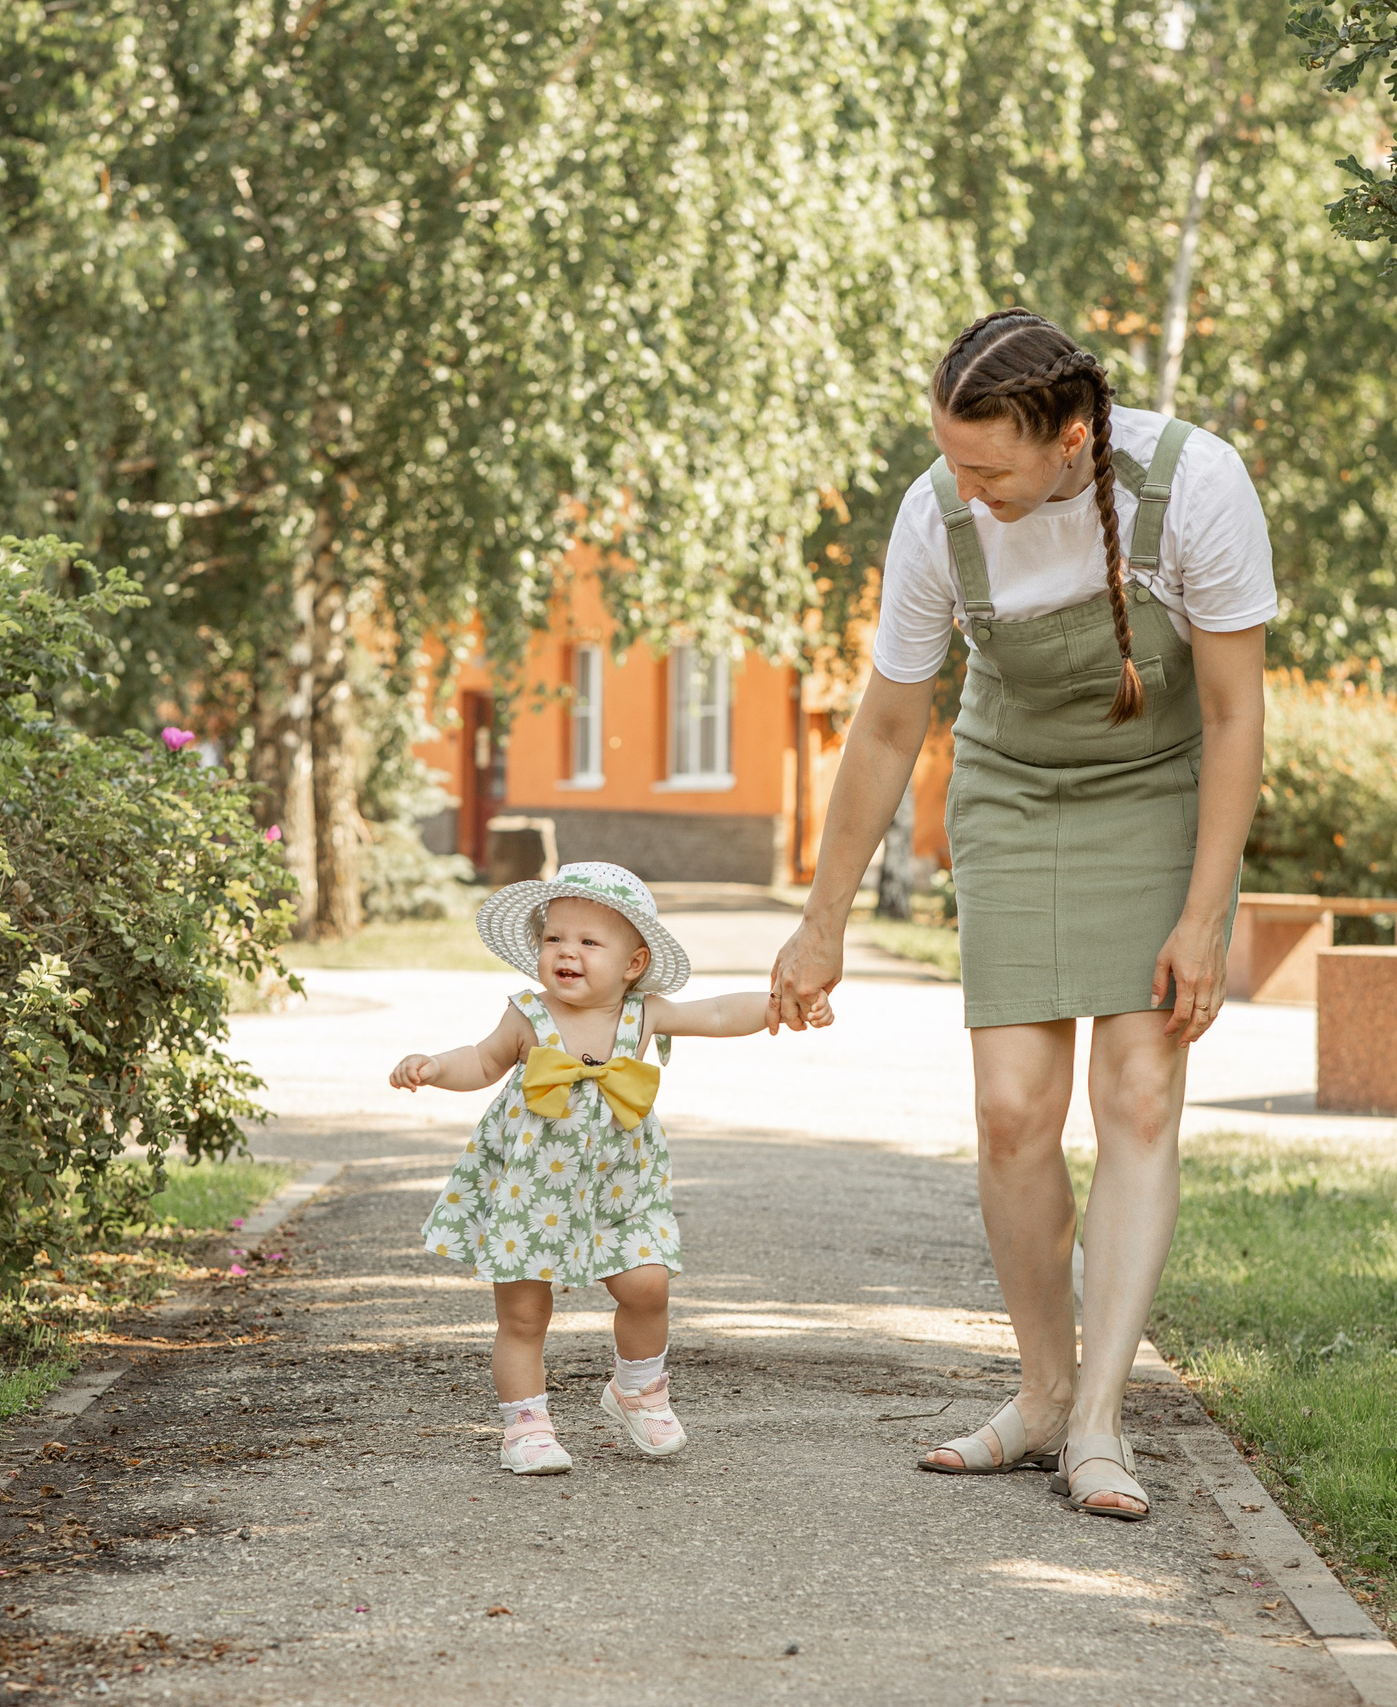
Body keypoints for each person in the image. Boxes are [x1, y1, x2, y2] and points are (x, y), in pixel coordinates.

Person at [769, 309, 1272, 1519]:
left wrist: (1203, 917)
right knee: (1009, 1113)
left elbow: (1235, 716)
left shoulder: (1194, 485)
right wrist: (821, 918)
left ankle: (1100, 1419)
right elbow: (891, 723)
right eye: (950, 455)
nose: (964, 483)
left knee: (1139, 1096)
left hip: (1158, 791)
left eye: (988, 464)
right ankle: (1041, 1394)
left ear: (1072, 440)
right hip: (1013, 790)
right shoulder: (937, 514)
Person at [400, 861, 785, 1476]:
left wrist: (776, 1006)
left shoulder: (642, 1013)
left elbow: (714, 1014)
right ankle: (525, 1425)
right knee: (525, 1312)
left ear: (632, 964)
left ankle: (637, 1388)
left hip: (619, 1187)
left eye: (588, 941)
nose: (566, 953)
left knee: (647, 1284)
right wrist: (433, 1067)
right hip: (533, 1188)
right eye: (554, 938)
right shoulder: (528, 1013)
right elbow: (480, 1060)